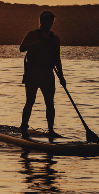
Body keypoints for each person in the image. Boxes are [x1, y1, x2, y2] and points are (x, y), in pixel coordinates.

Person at [19, 9, 65, 138]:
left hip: (48, 75)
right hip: (32, 74)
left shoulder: (55, 39)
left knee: (50, 103)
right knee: (30, 101)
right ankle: (23, 127)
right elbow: (22, 48)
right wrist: (35, 44)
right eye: (47, 19)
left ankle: (51, 130)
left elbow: (57, 59)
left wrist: (61, 76)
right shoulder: (33, 35)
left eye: (51, 20)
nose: (49, 22)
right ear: (42, 21)